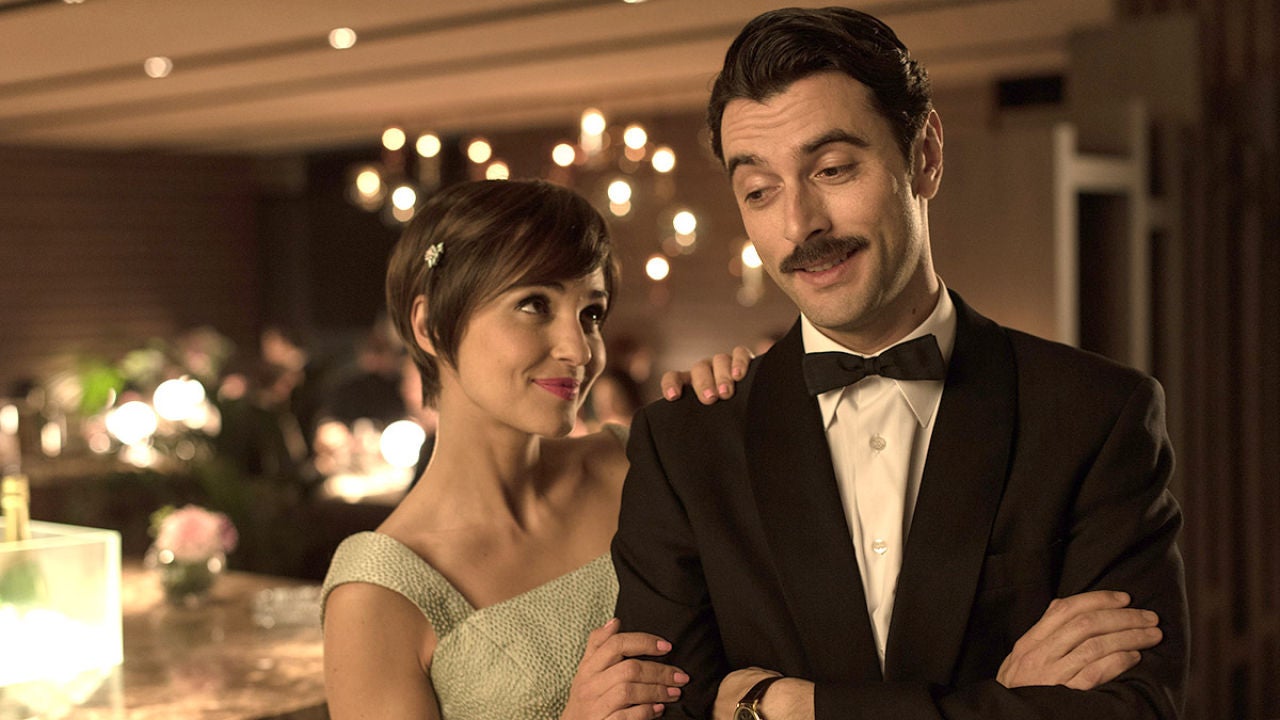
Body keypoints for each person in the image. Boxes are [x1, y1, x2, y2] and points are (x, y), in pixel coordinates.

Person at [616, 7, 1188, 720]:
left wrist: (787, 707)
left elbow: (1132, 711)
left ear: (925, 155)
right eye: (759, 191)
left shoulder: (1096, 415)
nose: (799, 225)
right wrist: (999, 703)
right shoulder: (684, 443)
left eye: (832, 169)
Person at [320, 179, 739, 719]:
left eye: (591, 313)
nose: (579, 350)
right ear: (430, 326)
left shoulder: (635, 463)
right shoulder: (380, 591)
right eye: (535, 304)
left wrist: (736, 414)